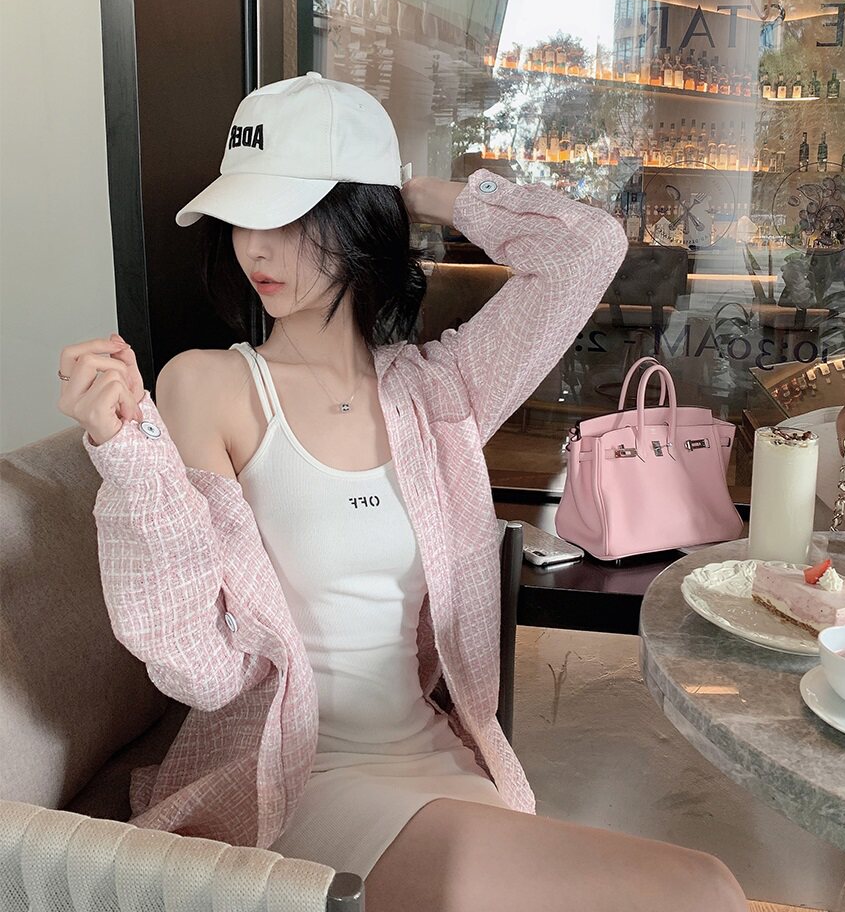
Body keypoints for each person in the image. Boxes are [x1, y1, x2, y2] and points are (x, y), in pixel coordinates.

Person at [58, 73, 746, 912]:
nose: (256, 249)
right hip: (294, 775)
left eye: (290, 216)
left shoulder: (438, 394)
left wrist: (424, 195)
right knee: (699, 890)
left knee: (702, 888)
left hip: (436, 756)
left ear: (359, 218)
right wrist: (129, 458)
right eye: (243, 217)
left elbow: (588, 249)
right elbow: (196, 670)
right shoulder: (207, 386)